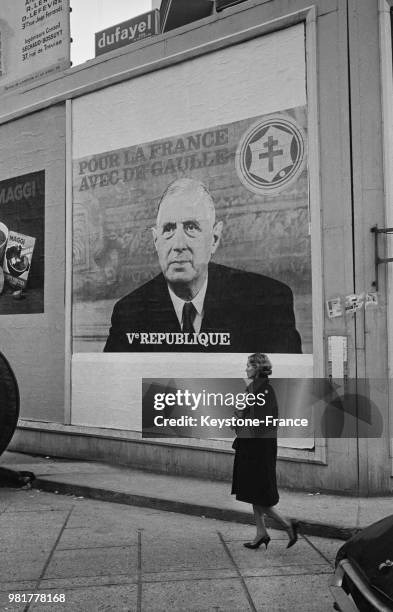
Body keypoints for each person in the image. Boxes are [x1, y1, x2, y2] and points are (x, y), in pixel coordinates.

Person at [104, 178, 302, 352]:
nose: (178, 245)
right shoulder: (129, 313)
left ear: (214, 238)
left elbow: (282, 387)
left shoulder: (266, 302)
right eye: (168, 229)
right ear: (156, 241)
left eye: (191, 227)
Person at [231, 352, 299, 549]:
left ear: (258, 368)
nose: (246, 369)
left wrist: (239, 421)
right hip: (251, 445)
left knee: (257, 491)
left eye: (249, 366)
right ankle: (261, 532)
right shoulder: (254, 388)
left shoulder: (264, 391)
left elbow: (262, 422)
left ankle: (288, 525)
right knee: (254, 490)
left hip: (258, 448)